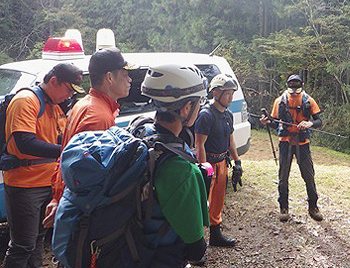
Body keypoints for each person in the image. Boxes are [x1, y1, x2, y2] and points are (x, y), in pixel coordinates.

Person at [3, 63, 84, 268]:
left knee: (38, 238)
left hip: (46, 181)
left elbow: (59, 137)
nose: (69, 96)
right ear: (54, 81)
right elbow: (25, 142)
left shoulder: (54, 106)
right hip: (25, 184)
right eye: (68, 89)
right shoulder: (26, 101)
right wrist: (66, 150)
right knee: (23, 245)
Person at [43, 47, 134, 228]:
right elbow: (87, 177)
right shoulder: (98, 117)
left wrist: (57, 197)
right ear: (109, 77)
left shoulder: (85, 104)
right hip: (85, 210)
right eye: (125, 74)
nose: (130, 79)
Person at [139, 62, 210, 266]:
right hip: (159, 257)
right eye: (199, 103)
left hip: (133, 244)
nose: (200, 107)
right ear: (186, 108)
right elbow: (196, 249)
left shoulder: (141, 132)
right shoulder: (179, 167)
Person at [260, 74, 324, 222]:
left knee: (309, 176)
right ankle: (283, 207)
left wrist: (309, 124)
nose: (294, 90)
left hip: (303, 143)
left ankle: (313, 206)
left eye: (297, 87)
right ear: (287, 86)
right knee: (283, 177)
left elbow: (319, 120)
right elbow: (275, 123)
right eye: (292, 87)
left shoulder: (309, 100)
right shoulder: (279, 101)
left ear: (301, 85)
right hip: (285, 142)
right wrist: (267, 122)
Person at [195, 73, 242, 247]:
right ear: (216, 93)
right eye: (227, 93)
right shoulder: (206, 115)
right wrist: (204, 169)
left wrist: (237, 162)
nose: (230, 97)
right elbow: (199, 144)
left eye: (232, 93)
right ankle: (196, 241)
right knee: (201, 201)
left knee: (218, 200)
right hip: (208, 163)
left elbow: (231, 140)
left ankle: (215, 235)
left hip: (222, 162)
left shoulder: (228, 115)